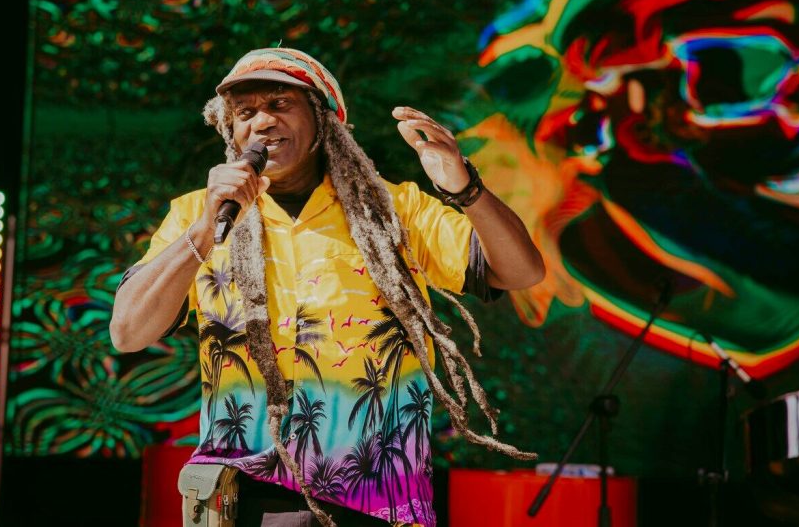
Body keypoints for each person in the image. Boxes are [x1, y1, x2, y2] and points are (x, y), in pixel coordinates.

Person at [110, 48, 545, 526]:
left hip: (378, 497)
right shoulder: (198, 215)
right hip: (251, 497)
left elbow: (521, 272)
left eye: (280, 103)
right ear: (231, 133)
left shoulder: (394, 210)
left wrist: (466, 189)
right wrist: (203, 229)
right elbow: (128, 333)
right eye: (245, 113)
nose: (262, 122)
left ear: (323, 120)